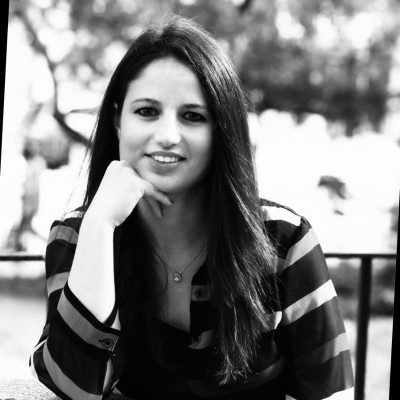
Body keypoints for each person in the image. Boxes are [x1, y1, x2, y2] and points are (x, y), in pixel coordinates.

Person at [29, 15, 354, 400]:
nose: (167, 136)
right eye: (147, 111)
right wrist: (100, 224)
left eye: (193, 116)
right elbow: (75, 386)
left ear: (221, 131)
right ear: (117, 121)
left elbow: (329, 391)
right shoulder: (77, 237)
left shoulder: (285, 240)